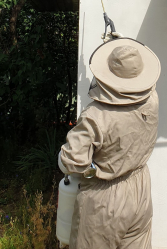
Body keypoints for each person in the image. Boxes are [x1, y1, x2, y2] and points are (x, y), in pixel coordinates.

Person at [58, 35, 161, 249]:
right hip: (140, 188)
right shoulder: (152, 101)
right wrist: (118, 47)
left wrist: (93, 172)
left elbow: (70, 162)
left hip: (103, 198)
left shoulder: (96, 116)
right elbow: (133, 79)